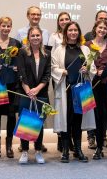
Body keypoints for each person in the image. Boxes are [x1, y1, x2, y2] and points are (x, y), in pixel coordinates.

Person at [52, 21, 96, 163]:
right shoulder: (59, 49)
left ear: (79, 32)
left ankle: (78, 149)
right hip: (66, 90)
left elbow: (92, 67)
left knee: (78, 120)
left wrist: (87, 69)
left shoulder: (85, 49)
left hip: (81, 90)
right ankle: (65, 150)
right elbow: (53, 68)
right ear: (66, 33)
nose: (73, 33)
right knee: (66, 119)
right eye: (70, 30)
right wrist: (64, 71)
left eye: (75, 30)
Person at [85, 10, 107, 149]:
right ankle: (99, 148)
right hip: (94, 86)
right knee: (98, 117)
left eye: (105, 28)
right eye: (100, 27)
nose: (102, 30)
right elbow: (85, 63)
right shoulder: (87, 45)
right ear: (95, 28)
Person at [17, 26, 51, 164]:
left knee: (38, 123)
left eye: (38, 35)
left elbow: (47, 74)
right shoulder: (22, 52)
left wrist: (37, 89)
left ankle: (38, 150)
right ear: (28, 37)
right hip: (26, 92)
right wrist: (28, 90)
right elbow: (21, 72)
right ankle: (24, 151)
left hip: (40, 92)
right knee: (25, 122)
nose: (35, 38)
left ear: (41, 37)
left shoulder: (47, 53)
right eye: (33, 35)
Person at [0, 17, 21, 158]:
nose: (6, 28)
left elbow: (22, 62)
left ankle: (9, 146)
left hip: (12, 85)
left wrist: (18, 68)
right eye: (3, 25)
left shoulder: (16, 43)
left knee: (11, 115)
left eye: (8, 26)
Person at [47, 12, 73, 152]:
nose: (64, 21)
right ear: (58, 22)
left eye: (66, 19)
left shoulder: (73, 35)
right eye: (61, 20)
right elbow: (50, 56)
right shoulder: (53, 36)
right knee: (60, 106)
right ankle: (60, 138)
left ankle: (71, 140)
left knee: (72, 109)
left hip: (73, 77)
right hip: (59, 77)